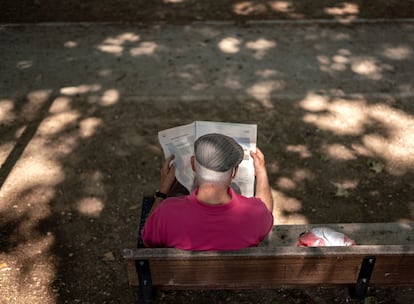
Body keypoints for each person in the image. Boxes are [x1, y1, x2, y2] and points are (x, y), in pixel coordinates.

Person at [141, 133, 274, 251]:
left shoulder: (167, 212)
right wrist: (261, 171)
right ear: (234, 172)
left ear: (193, 164)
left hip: (181, 279)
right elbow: (266, 214)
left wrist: (162, 193)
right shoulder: (255, 213)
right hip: (236, 278)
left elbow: (148, 241)